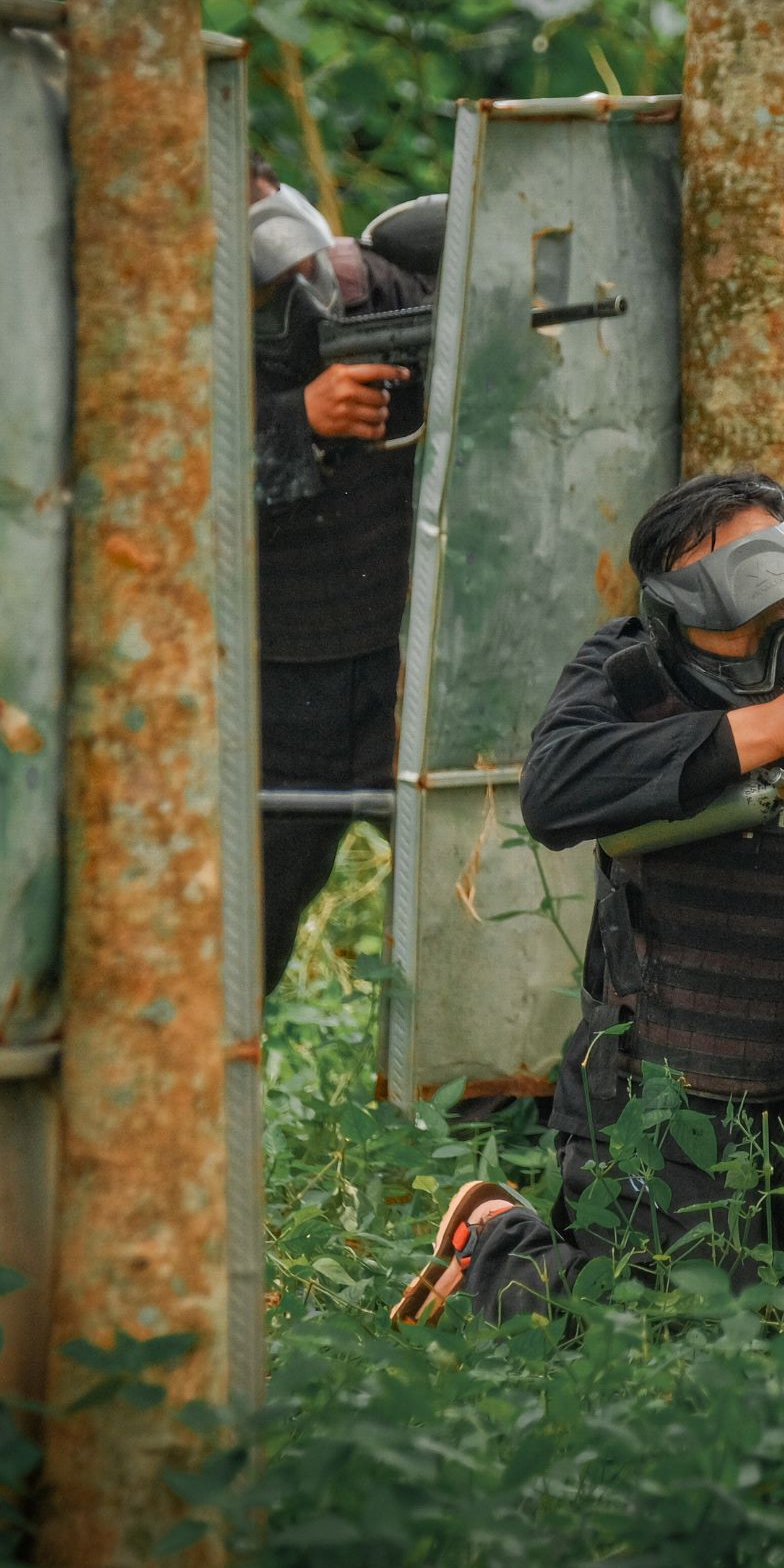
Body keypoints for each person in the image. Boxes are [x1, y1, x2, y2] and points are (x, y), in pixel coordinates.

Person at [391, 472, 784, 1325]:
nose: (782, 614)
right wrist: (769, 731)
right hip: (656, 1105)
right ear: (680, 615)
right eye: (741, 594)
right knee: (661, 1335)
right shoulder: (631, 677)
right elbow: (552, 792)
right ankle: (499, 1240)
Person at [247, 159, 435, 992]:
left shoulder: (383, 286)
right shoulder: (161, 328)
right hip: (276, 676)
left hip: (409, 652)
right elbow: (146, 482)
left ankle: (487, 1099)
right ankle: (207, 1086)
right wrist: (299, 424)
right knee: (247, 920)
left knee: (467, 889)